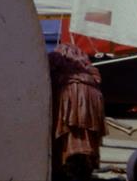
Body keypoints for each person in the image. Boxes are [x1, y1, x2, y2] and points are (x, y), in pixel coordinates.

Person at [48, 43, 106, 181]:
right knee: (86, 139)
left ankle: (67, 170)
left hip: (70, 95)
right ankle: (82, 170)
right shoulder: (84, 62)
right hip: (93, 95)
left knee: (69, 139)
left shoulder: (56, 57)